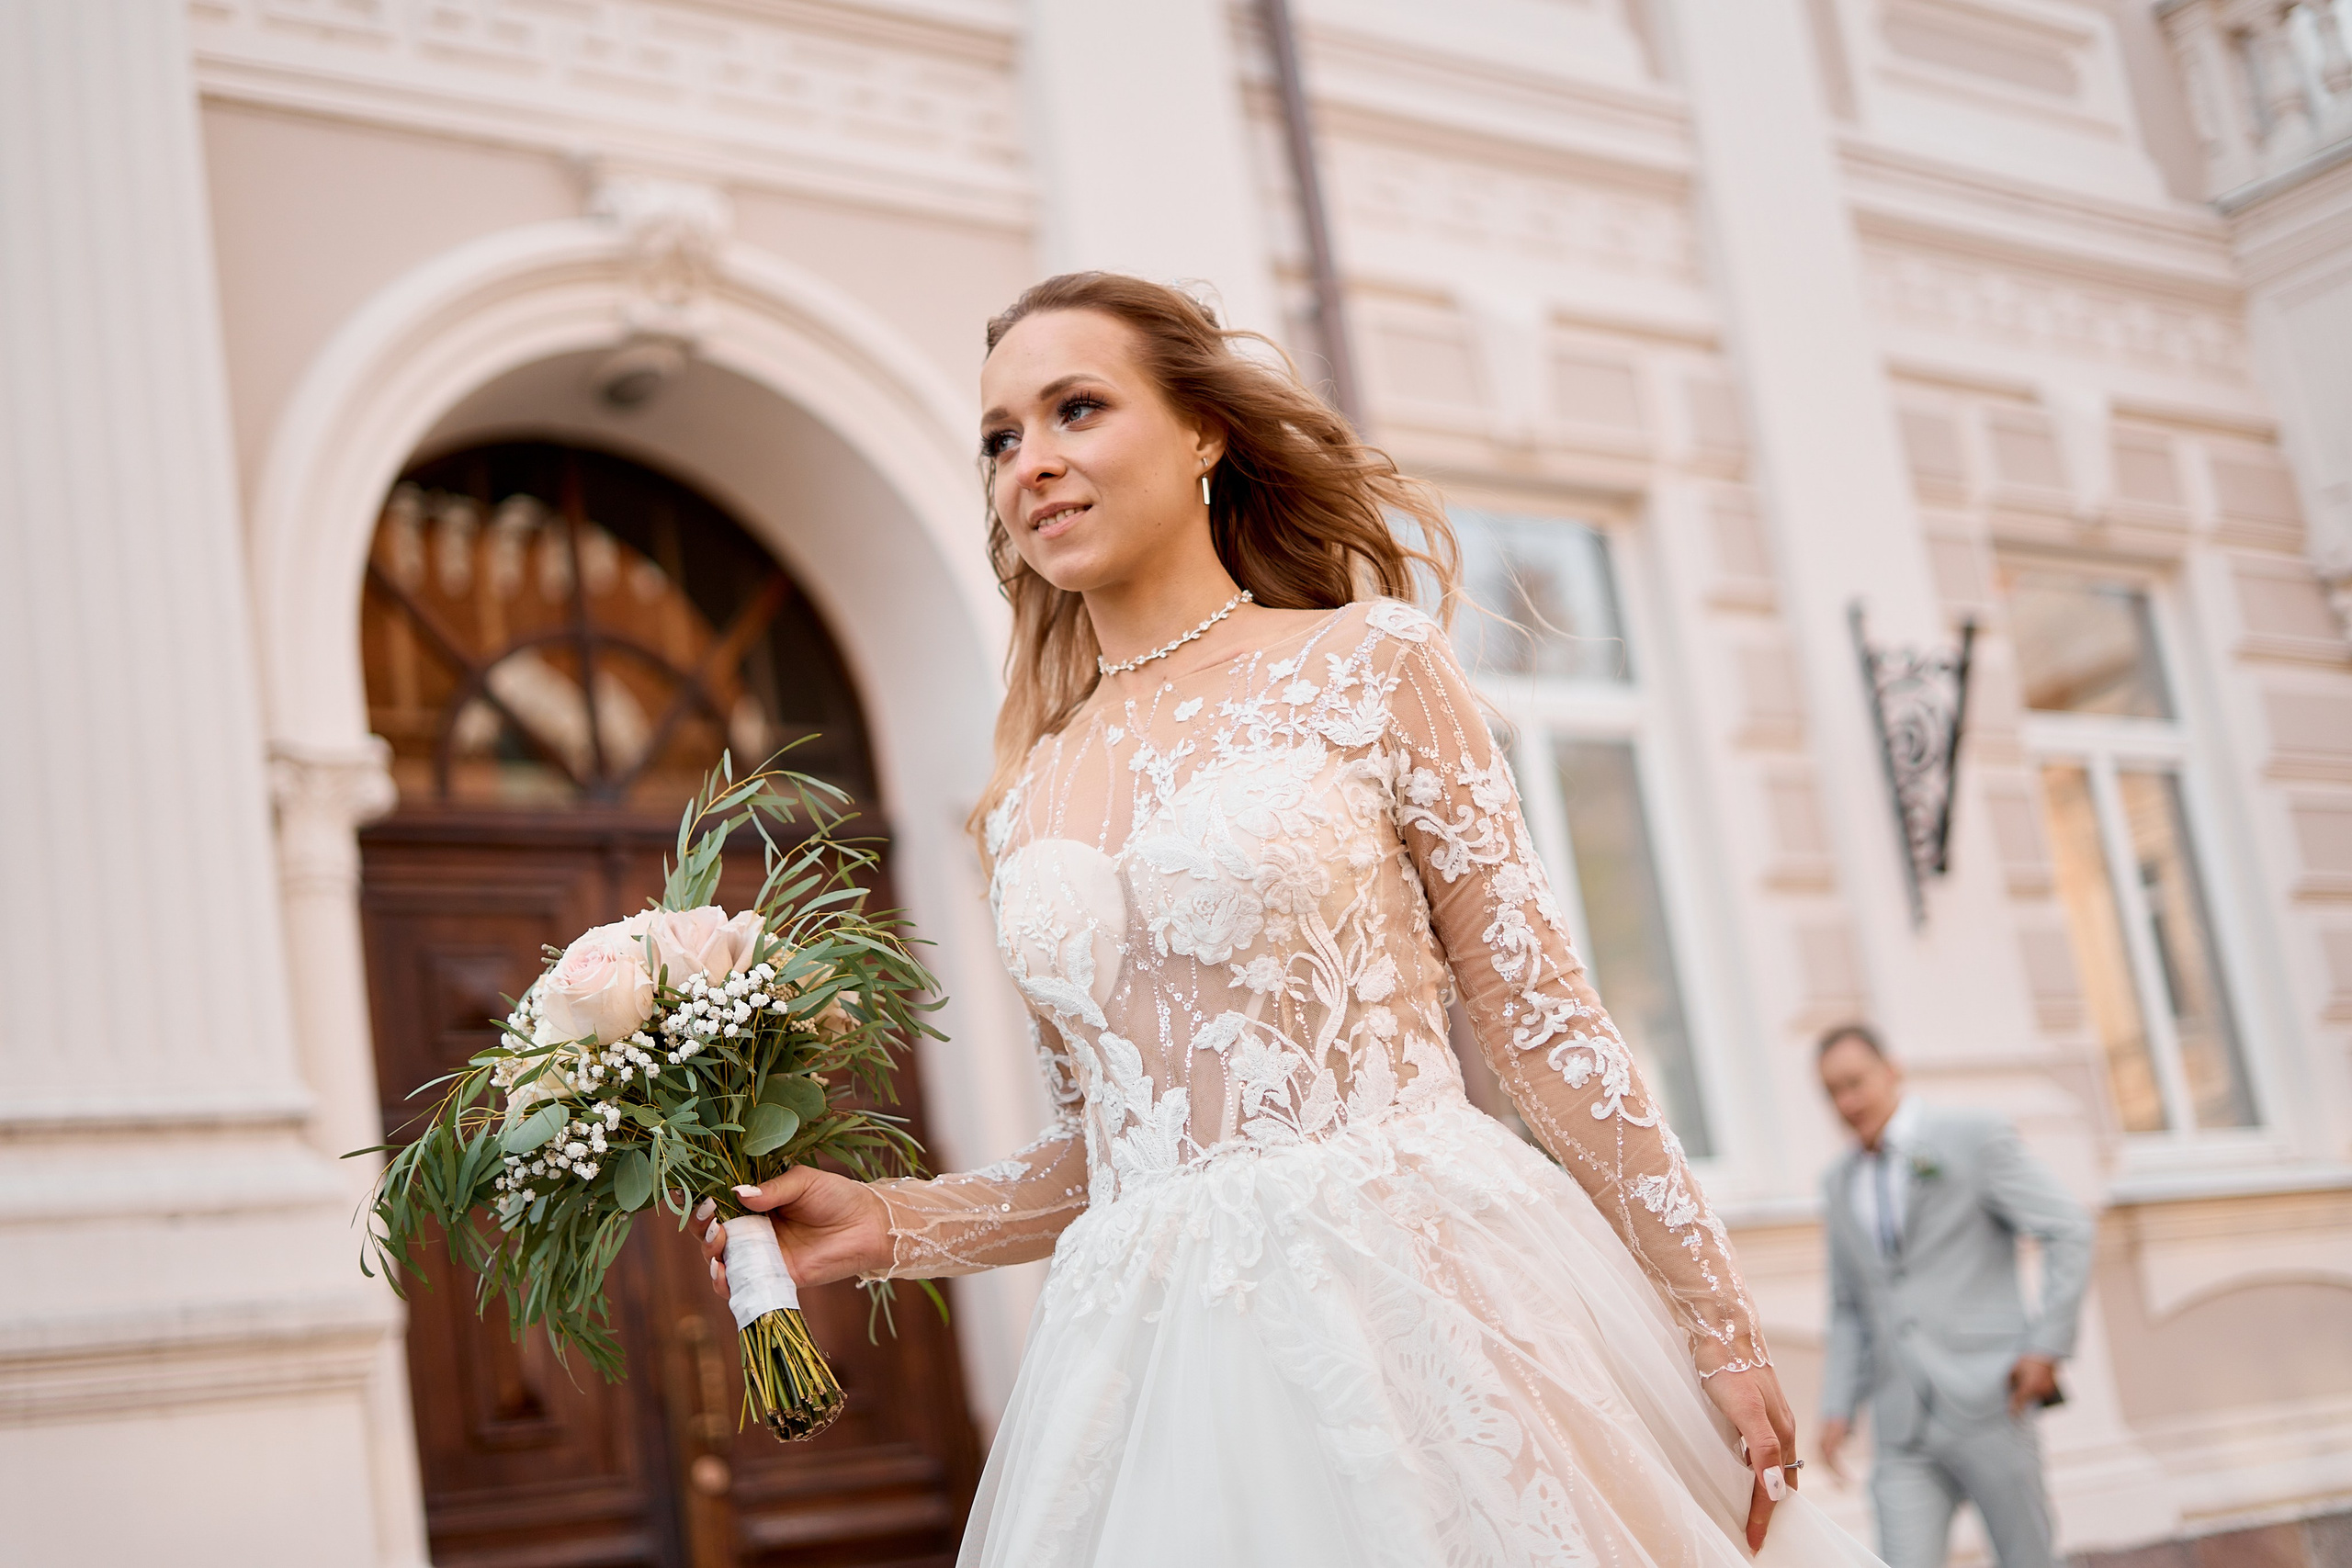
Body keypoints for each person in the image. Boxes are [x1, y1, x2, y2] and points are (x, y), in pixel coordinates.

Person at [705, 271, 1885, 1566]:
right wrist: (890, 1224)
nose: (1031, 462)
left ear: (1205, 430)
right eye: (1001, 437)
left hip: (1434, 1304)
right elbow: (1116, 1143)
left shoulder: (1369, 664)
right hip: (1159, 1366)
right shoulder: (1027, 790)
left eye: (1076, 410)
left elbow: (1541, 1021)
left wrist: (1715, 1323)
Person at [1815, 1023, 2094, 1568]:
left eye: (1855, 1082)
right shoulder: (1837, 1181)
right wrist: (1837, 1407)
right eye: (1832, 1092)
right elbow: (1850, 1307)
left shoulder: (1974, 1137)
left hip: (1991, 1397)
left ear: (1891, 1069)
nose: (1846, 1102)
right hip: (1901, 1425)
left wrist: (2046, 1347)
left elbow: (2068, 1228)